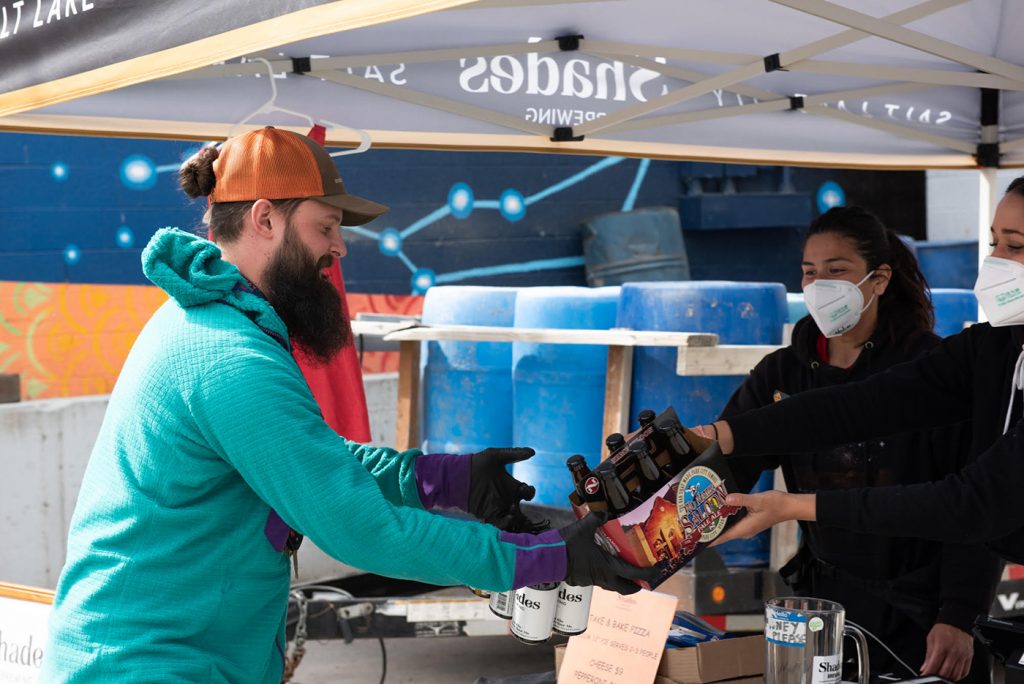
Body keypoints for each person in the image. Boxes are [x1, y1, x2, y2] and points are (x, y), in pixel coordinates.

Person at [40, 127, 653, 683]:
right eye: (325, 227)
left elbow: (313, 462)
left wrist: (444, 478)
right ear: (265, 219)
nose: (340, 248)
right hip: (150, 666)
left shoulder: (211, 322)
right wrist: (546, 557)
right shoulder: (229, 359)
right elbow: (358, 528)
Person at [702, 177, 1024, 679]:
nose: (997, 262)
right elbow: (856, 407)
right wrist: (717, 438)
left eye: (1016, 246)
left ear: (879, 279)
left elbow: (969, 504)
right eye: (994, 243)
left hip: (917, 602)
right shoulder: (993, 350)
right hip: (827, 599)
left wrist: (958, 613)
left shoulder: (943, 354)